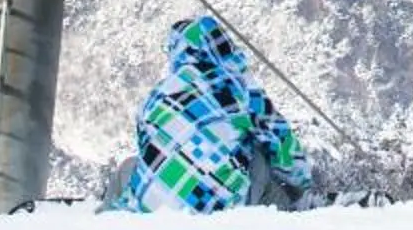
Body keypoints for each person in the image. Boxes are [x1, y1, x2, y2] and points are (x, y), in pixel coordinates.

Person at [110, 13, 315, 213]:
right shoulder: (239, 88)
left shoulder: (154, 96)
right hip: (217, 212)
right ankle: (289, 211)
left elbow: (147, 148)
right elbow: (281, 143)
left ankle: (107, 217)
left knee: (129, 165)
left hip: (150, 212)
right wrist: (303, 186)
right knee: (259, 155)